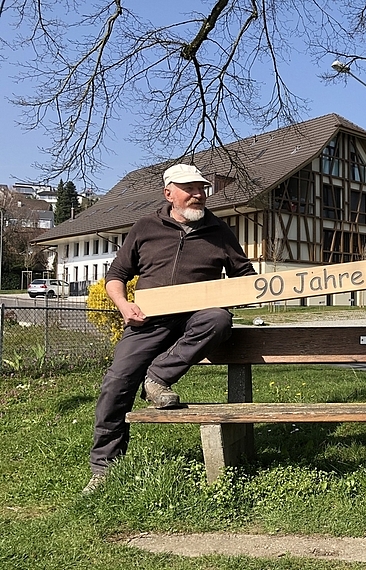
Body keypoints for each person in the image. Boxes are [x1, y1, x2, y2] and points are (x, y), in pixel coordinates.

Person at [83, 164, 256, 494]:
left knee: (218, 318)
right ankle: (103, 468)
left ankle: (157, 377)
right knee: (116, 383)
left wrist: (251, 291)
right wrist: (124, 306)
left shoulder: (219, 231)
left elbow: (245, 276)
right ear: (169, 193)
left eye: (201, 188)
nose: (198, 194)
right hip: (148, 321)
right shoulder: (146, 226)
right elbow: (116, 276)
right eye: (189, 188)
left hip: (196, 319)